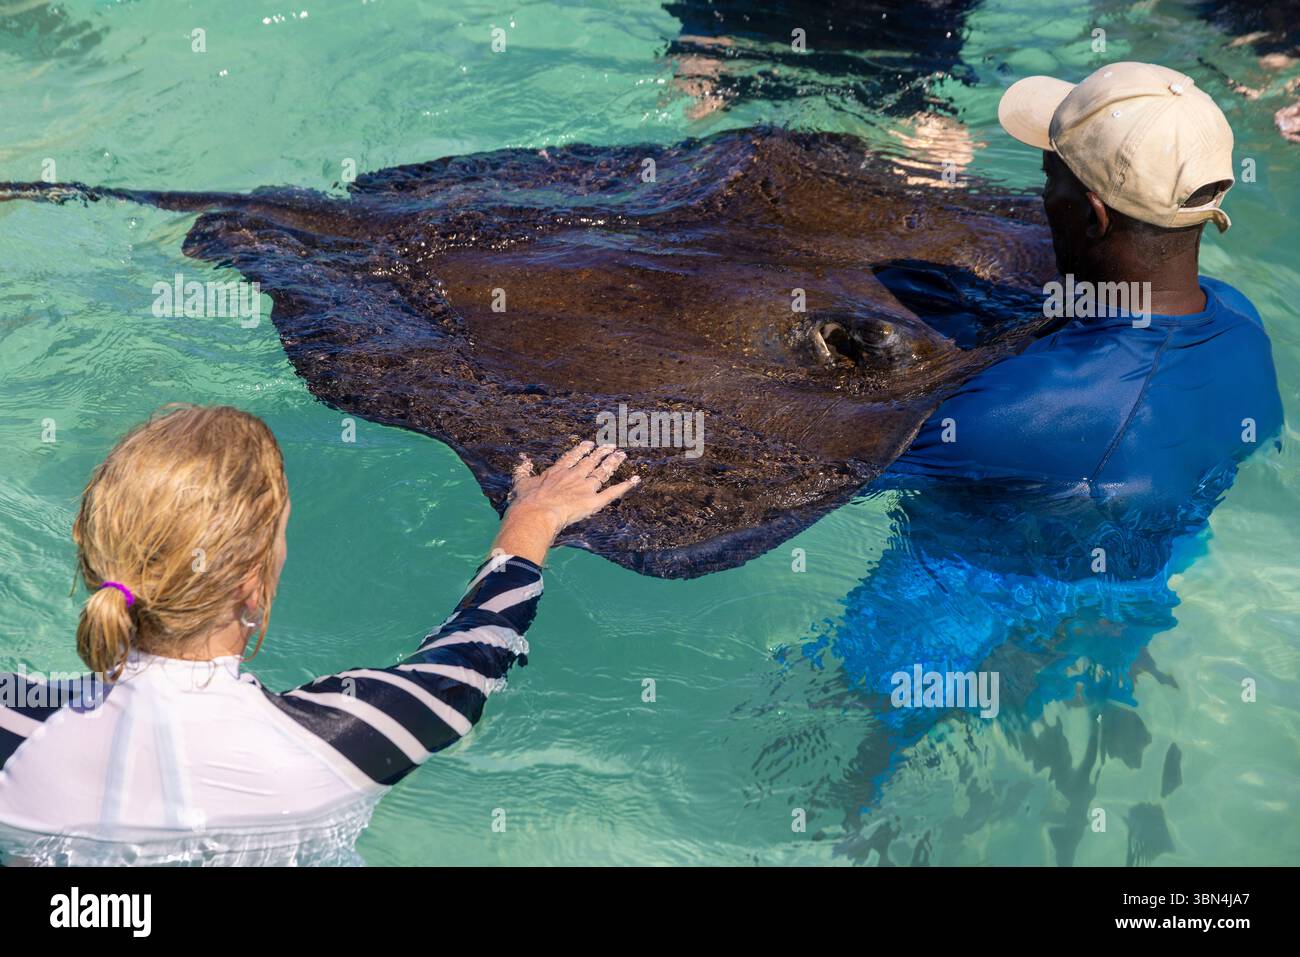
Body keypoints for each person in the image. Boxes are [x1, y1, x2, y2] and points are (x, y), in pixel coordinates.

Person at [0, 405, 638, 865]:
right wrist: (535, 514)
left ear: (92, 559)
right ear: (254, 582)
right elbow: (479, 645)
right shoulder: (341, 743)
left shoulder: (16, 723)